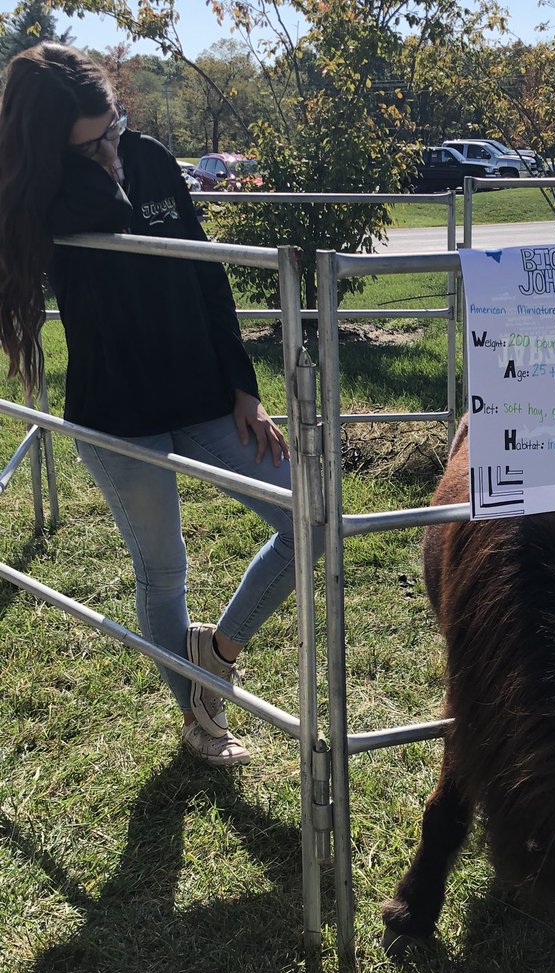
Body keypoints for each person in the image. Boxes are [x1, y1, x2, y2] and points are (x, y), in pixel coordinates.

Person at [0, 43, 301, 767]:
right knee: (163, 571)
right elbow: (103, 209)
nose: (113, 145)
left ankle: (216, 653)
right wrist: (94, 168)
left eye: (115, 124)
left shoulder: (154, 158)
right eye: (93, 139)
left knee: (305, 520)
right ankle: (201, 720)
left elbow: (205, 275)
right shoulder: (41, 196)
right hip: (116, 413)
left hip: (203, 395)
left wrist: (245, 387)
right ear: (47, 146)